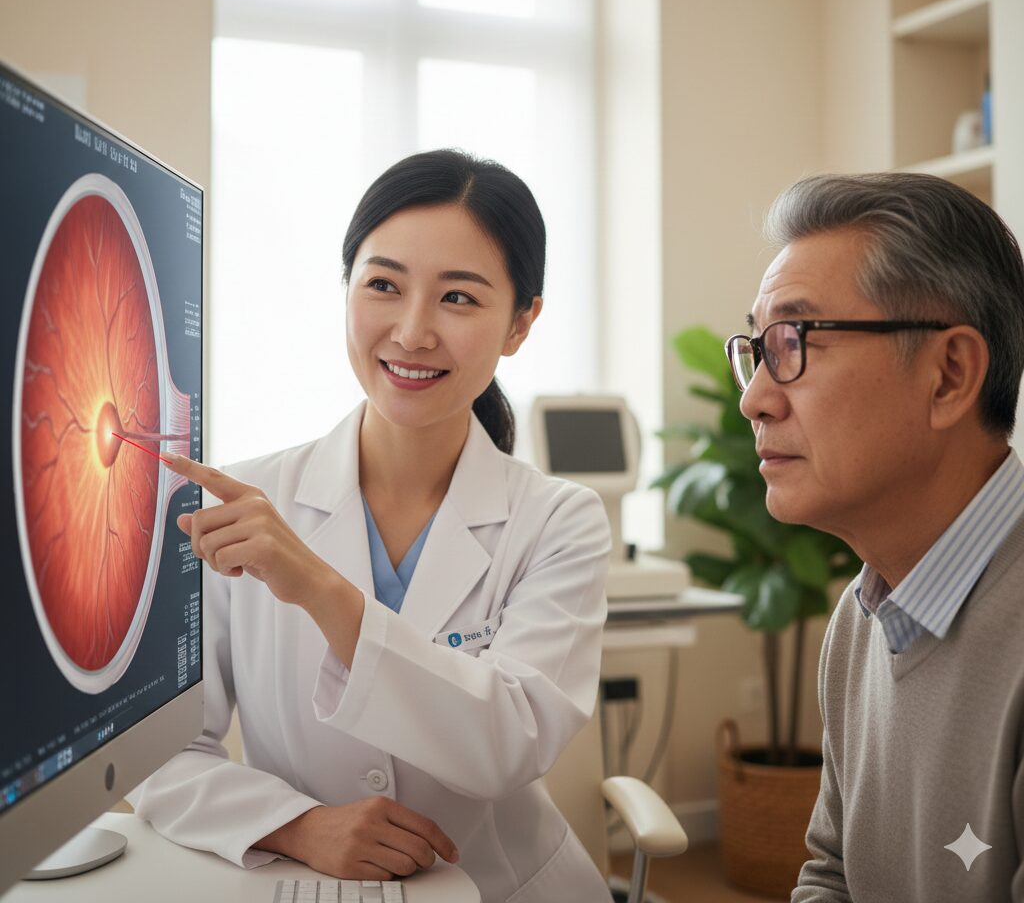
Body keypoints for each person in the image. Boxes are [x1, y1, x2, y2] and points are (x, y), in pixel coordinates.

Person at [130, 149, 613, 903]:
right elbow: (157, 754)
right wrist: (295, 825)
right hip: (305, 883)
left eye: (459, 298)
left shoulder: (559, 522)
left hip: (505, 889)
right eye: (383, 285)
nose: (413, 332)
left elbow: (507, 744)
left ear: (521, 322)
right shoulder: (243, 499)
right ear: (347, 290)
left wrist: (321, 588)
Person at [725, 172, 1024, 902]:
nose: (754, 398)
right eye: (758, 349)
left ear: (949, 374)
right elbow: (834, 872)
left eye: (794, 341)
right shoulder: (863, 619)